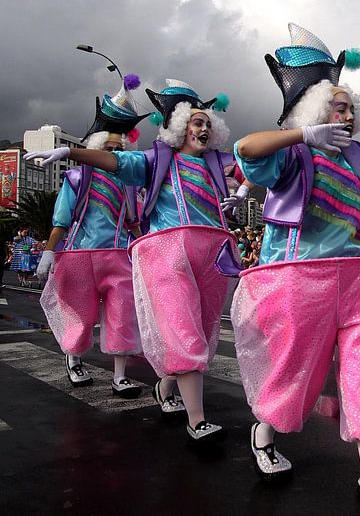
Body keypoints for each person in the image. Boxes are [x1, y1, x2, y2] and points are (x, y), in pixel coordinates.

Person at [228, 24, 360, 506]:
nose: (346, 114)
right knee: (294, 369)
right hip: (302, 278)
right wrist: (300, 135)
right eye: (337, 106)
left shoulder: (359, 160)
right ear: (313, 111)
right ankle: (264, 433)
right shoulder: (291, 155)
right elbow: (245, 150)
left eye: (350, 107)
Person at [26, 78, 246, 446]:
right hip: (161, 254)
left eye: (207, 122)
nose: (203, 128)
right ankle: (198, 420)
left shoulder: (217, 163)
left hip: (210, 254)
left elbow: (253, 165)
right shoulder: (152, 162)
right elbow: (115, 161)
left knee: (202, 333)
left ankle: (166, 385)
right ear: (179, 128)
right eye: (196, 122)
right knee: (181, 329)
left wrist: (241, 188)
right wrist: (72, 154)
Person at [36, 72, 145, 396]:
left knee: (123, 314)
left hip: (118, 256)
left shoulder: (128, 183)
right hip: (80, 256)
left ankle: (120, 375)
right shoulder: (75, 179)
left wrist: (141, 249)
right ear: (96, 147)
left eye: (119, 149)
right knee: (80, 315)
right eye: (108, 147)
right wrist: (48, 252)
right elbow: (62, 219)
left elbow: (133, 222)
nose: (113, 153)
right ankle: (74, 359)